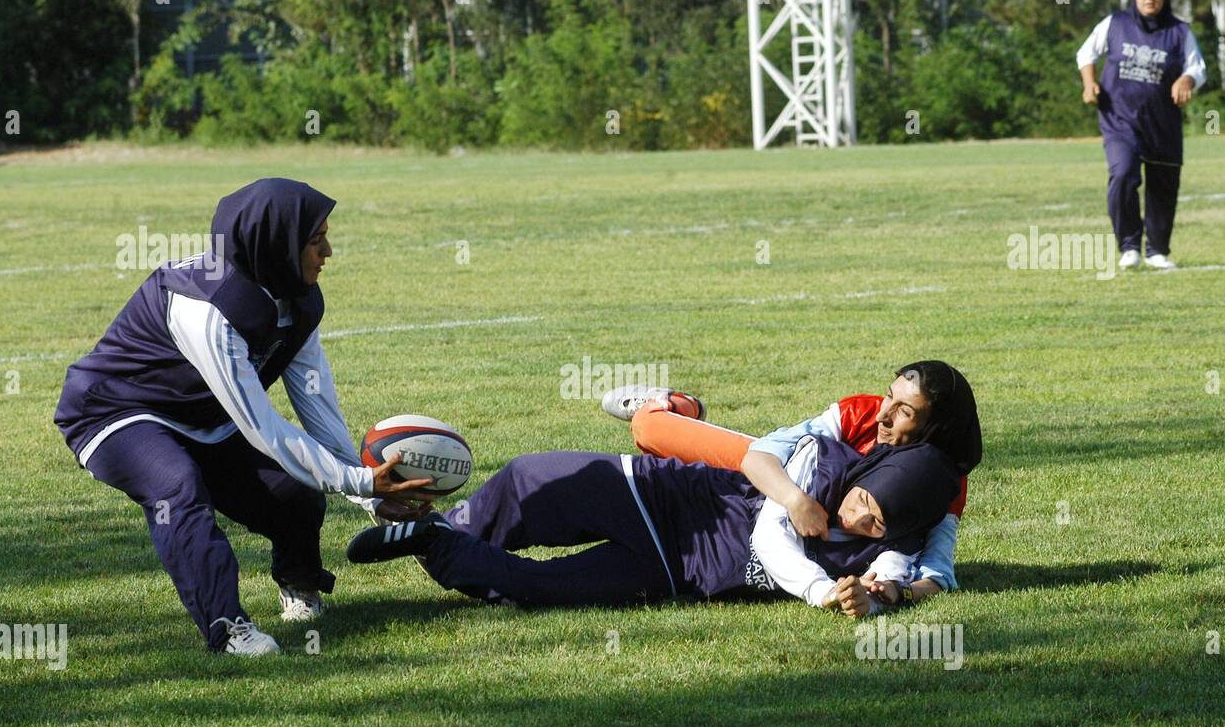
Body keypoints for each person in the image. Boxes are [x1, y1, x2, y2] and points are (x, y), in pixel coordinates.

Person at [53, 178, 431, 656]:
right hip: (118, 411)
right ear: (276, 245)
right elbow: (263, 428)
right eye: (316, 241)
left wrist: (370, 493)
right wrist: (359, 483)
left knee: (298, 493)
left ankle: (299, 585)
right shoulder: (206, 306)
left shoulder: (295, 299)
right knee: (177, 487)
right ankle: (227, 629)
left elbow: (318, 407)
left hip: (206, 417)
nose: (329, 252)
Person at [347, 437, 962, 617]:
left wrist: (874, 598)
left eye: (877, 520)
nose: (858, 516)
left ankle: (431, 540)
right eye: (862, 500)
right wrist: (821, 589)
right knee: (525, 481)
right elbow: (773, 539)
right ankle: (438, 524)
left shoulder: (896, 542)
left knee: (538, 590)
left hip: (675, 571)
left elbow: (897, 581)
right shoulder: (824, 459)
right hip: (656, 495)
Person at [599, 359, 981, 615]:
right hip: (772, 474)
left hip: (759, 520)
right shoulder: (861, 413)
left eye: (905, 412)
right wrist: (795, 499)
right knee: (648, 428)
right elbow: (758, 458)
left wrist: (895, 592)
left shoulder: (941, 483)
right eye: (889, 396)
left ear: (934, 428)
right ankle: (676, 405)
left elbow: (938, 574)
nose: (883, 414)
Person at [1077, 0, 1207, 272]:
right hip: (1119, 119)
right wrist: (1089, 83)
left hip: (1162, 122)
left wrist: (1186, 80)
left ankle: (1157, 251)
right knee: (1123, 174)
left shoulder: (1179, 32)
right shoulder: (1116, 23)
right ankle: (1129, 246)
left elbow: (1197, 68)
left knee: (1163, 185)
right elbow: (1086, 53)